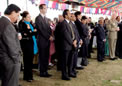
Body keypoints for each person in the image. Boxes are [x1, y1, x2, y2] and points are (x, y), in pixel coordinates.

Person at [0, 4, 22, 86]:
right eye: (17, 15)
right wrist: (17, 60)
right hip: (10, 61)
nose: (18, 17)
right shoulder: (7, 24)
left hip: (4, 59)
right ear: (12, 12)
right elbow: (11, 46)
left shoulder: (2, 21)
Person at [19, 11, 38, 82]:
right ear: (24, 18)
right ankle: (27, 76)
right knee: (27, 61)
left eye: (30, 17)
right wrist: (31, 32)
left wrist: (31, 32)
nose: (30, 18)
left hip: (32, 43)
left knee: (30, 61)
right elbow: (26, 34)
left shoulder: (30, 24)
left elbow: (35, 32)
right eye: (28, 17)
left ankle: (30, 75)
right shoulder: (22, 24)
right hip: (26, 45)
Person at [35, 4, 53, 77]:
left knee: (46, 56)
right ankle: (42, 72)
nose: (46, 9)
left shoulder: (46, 18)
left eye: (46, 8)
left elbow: (48, 29)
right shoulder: (38, 18)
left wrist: (51, 36)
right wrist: (49, 36)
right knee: (42, 57)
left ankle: (45, 71)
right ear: (41, 9)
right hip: (42, 41)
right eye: (45, 8)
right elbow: (41, 30)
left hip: (47, 41)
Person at [59, 9, 77, 80]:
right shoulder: (63, 23)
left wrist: (75, 40)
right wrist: (72, 42)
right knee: (65, 61)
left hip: (71, 44)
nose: (71, 15)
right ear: (66, 15)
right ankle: (64, 75)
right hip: (66, 45)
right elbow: (66, 35)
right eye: (69, 13)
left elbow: (73, 33)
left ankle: (70, 72)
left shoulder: (69, 23)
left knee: (70, 60)